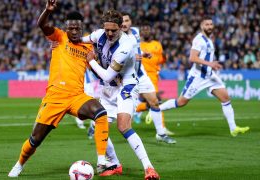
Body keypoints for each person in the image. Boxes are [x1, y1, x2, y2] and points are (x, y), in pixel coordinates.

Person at [8, 0, 110, 177]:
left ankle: (102, 160)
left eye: (78, 28)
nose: (75, 31)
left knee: (100, 113)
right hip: (55, 97)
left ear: (82, 27)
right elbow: (42, 24)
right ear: (66, 28)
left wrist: (95, 61)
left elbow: (99, 69)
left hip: (77, 96)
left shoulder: (88, 47)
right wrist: (47, 11)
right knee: (35, 139)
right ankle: (19, 164)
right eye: (71, 28)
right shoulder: (59, 37)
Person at [82, 9, 160, 180]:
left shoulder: (126, 45)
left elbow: (108, 75)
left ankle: (149, 168)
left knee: (123, 126)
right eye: (107, 29)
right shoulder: (98, 34)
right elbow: (78, 41)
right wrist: (60, 43)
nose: (109, 33)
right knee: (98, 127)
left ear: (120, 28)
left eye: (114, 30)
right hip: (107, 89)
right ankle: (115, 164)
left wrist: (91, 61)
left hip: (126, 86)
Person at [159, 16, 250, 137]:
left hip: (210, 76)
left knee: (225, 98)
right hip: (198, 76)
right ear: (202, 26)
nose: (210, 27)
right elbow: (192, 57)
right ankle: (156, 110)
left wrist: (211, 65)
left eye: (211, 24)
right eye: (207, 24)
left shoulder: (209, 39)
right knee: (181, 102)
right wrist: (210, 64)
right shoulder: (199, 39)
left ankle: (233, 128)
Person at [121, 12, 176, 144]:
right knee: (123, 109)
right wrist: (132, 57)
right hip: (126, 77)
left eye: (127, 20)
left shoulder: (135, 32)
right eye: (121, 21)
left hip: (141, 74)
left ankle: (161, 134)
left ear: (131, 22)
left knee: (154, 102)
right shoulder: (116, 36)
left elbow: (136, 49)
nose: (124, 23)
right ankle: (97, 127)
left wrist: (142, 54)